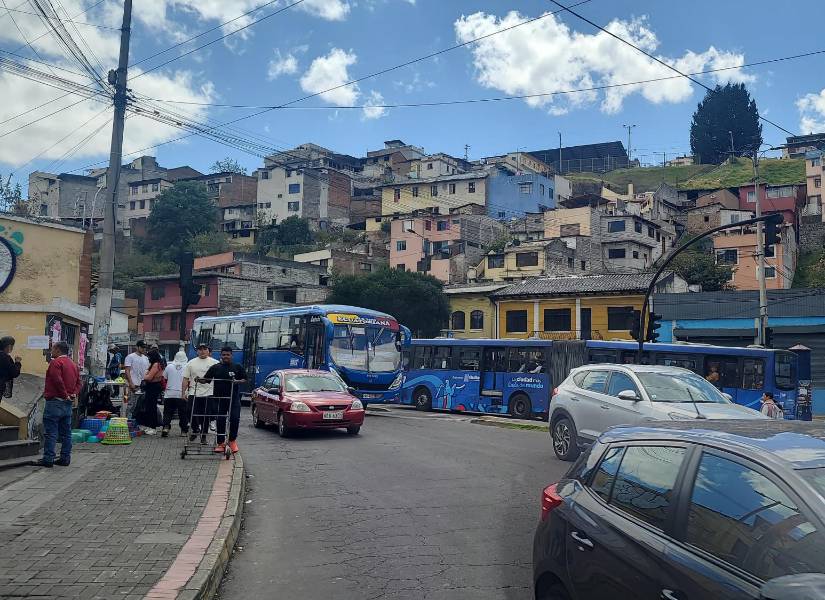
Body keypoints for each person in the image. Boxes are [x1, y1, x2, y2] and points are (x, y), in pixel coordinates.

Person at [36, 342, 80, 467]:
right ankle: (65, 457)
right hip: (67, 403)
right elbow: (79, 383)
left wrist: (64, 394)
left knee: (51, 432)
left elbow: (57, 380)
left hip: (55, 401)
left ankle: (48, 458)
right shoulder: (73, 364)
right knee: (66, 433)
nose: (51, 351)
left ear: (58, 350)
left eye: (53, 348)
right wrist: (73, 394)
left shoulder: (55, 363)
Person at [201, 347, 247, 454]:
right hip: (220, 399)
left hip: (234, 399)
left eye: (228, 355)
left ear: (231, 356)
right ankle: (220, 443)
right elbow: (206, 379)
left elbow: (245, 379)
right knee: (221, 420)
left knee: (235, 419)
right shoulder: (215, 367)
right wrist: (199, 379)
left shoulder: (237, 367)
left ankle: (232, 441)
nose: (225, 357)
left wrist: (237, 381)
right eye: (224, 355)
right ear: (221, 356)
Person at [182, 343, 218, 444]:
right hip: (194, 391)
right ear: (197, 351)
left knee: (205, 415)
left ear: (208, 350)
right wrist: (183, 392)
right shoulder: (191, 363)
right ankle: (195, 429)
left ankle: (204, 436)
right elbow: (185, 378)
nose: (202, 351)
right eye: (200, 349)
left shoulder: (215, 363)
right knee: (189, 411)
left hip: (209, 392)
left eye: (204, 349)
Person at [162, 351, 189, 437]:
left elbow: (164, 378)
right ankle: (184, 431)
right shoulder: (187, 367)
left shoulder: (169, 366)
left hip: (169, 393)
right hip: (182, 394)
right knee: (183, 413)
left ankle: (166, 427)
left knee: (167, 412)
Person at [138, 349, 164, 433]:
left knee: (151, 407)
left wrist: (144, 375)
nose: (148, 358)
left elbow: (149, 377)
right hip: (155, 386)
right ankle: (151, 425)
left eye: (149, 356)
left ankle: (152, 426)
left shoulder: (155, 364)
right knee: (151, 406)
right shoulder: (159, 364)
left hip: (153, 387)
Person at [124, 341, 149, 419]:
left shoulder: (146, 358)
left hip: (143, 385)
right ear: (137, 347)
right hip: (133, 384)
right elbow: (127, 370)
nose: (143, 349)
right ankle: (128, 421)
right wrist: (131, 383)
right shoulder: (130, 357)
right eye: (142, 347)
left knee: (141, 405)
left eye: (144, 347)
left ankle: (137, 421)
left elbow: (147, 371)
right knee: (131, 404)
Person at [0, 336, 22, 402]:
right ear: (9, 346)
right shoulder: (5, 357)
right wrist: (17, 363)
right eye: (12, 346)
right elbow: (14, 373)